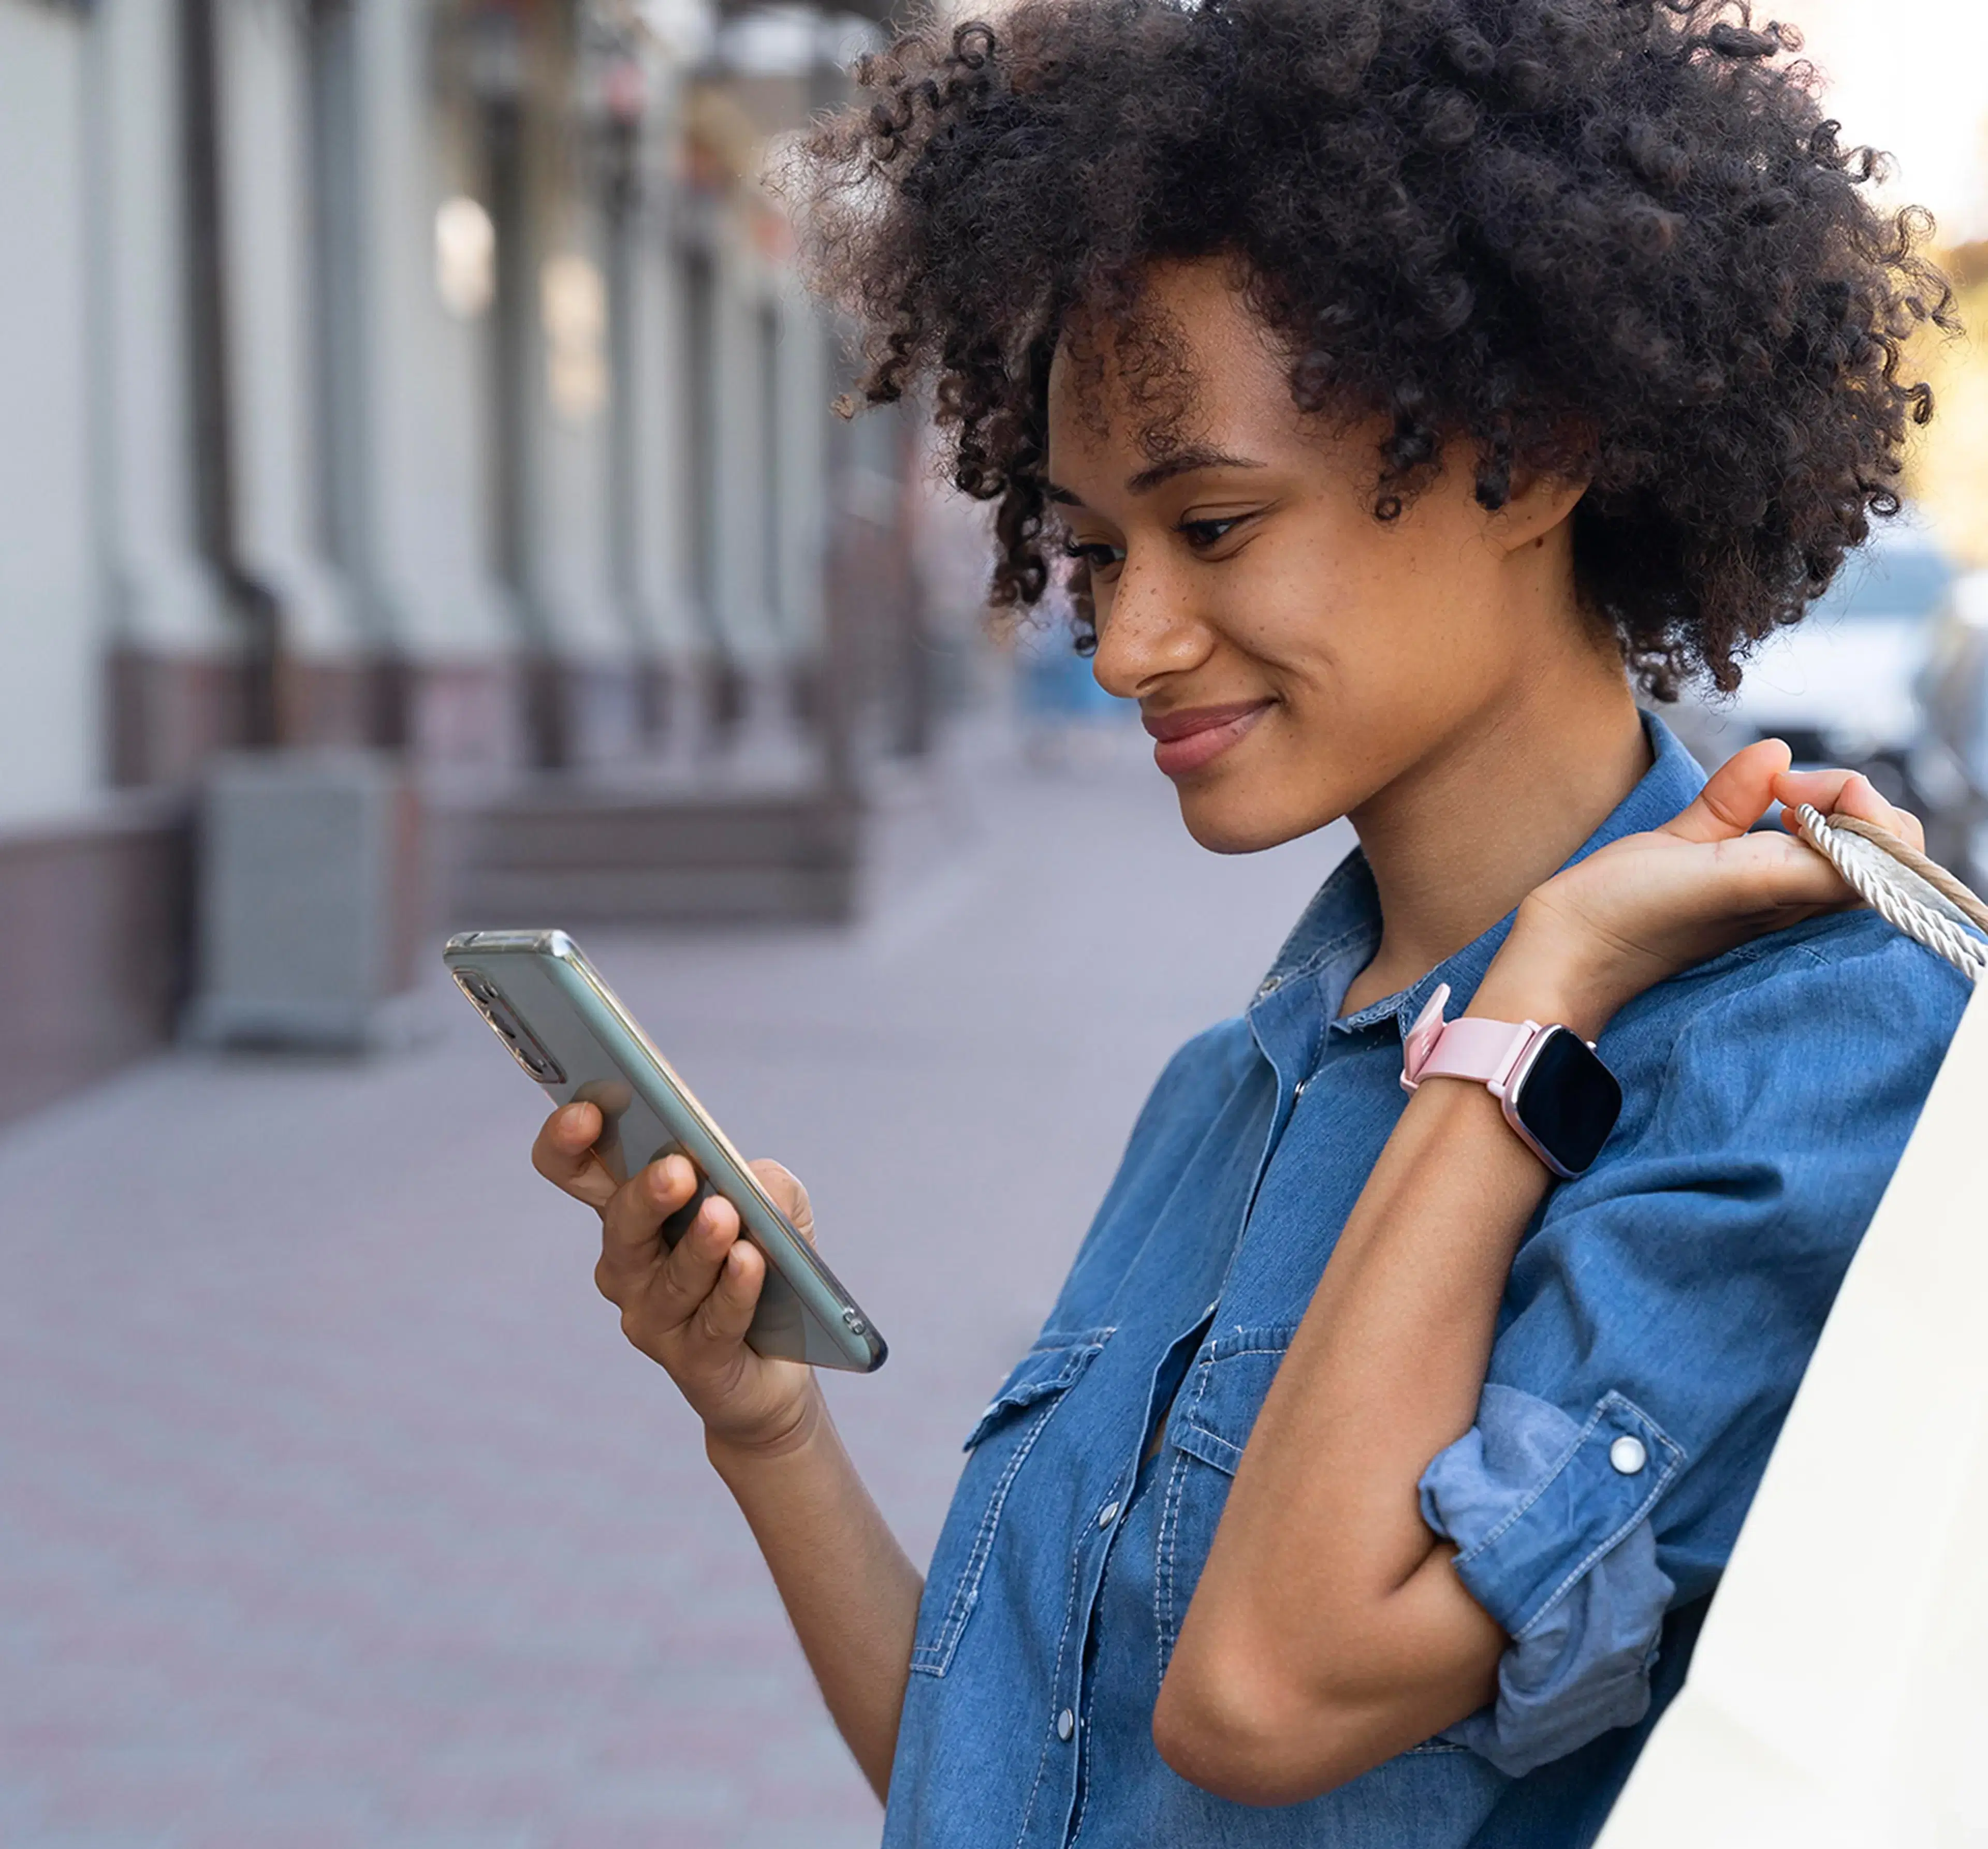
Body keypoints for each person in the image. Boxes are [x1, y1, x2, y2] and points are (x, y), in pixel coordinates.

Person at [531, 2, 1969, 1842]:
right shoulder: (1230, 1089)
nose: (1126, 641)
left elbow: (1264, 1699)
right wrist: (763, 1423)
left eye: (1211, 526)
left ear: (1525, 458)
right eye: (1100, 550)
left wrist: (1534, 1003)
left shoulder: (1813, 1048)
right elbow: (1023, 1789)